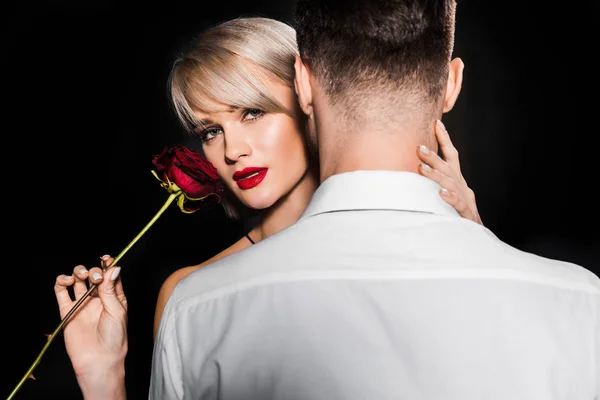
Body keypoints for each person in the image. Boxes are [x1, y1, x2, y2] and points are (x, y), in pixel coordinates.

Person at [62, 0, 600, 397]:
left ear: (304, 91)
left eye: (251, 112)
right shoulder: (190, 297)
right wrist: (105, 380)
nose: (232, 150)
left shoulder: (202, 303)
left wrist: (472, 234)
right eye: (209, 130)